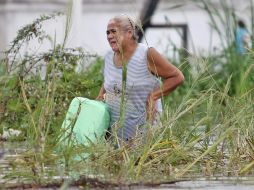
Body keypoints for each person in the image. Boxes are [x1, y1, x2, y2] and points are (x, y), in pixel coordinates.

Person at [96, 15, 184, 143]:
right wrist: (99, 100)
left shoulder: (146, 54)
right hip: (114, 135)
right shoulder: (109, 57)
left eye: (113, 31)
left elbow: (177, 77)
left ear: (129, 33)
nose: (109, 36)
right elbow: (109, 82)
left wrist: (154, 96)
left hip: (143, 134)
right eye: (107, 33)